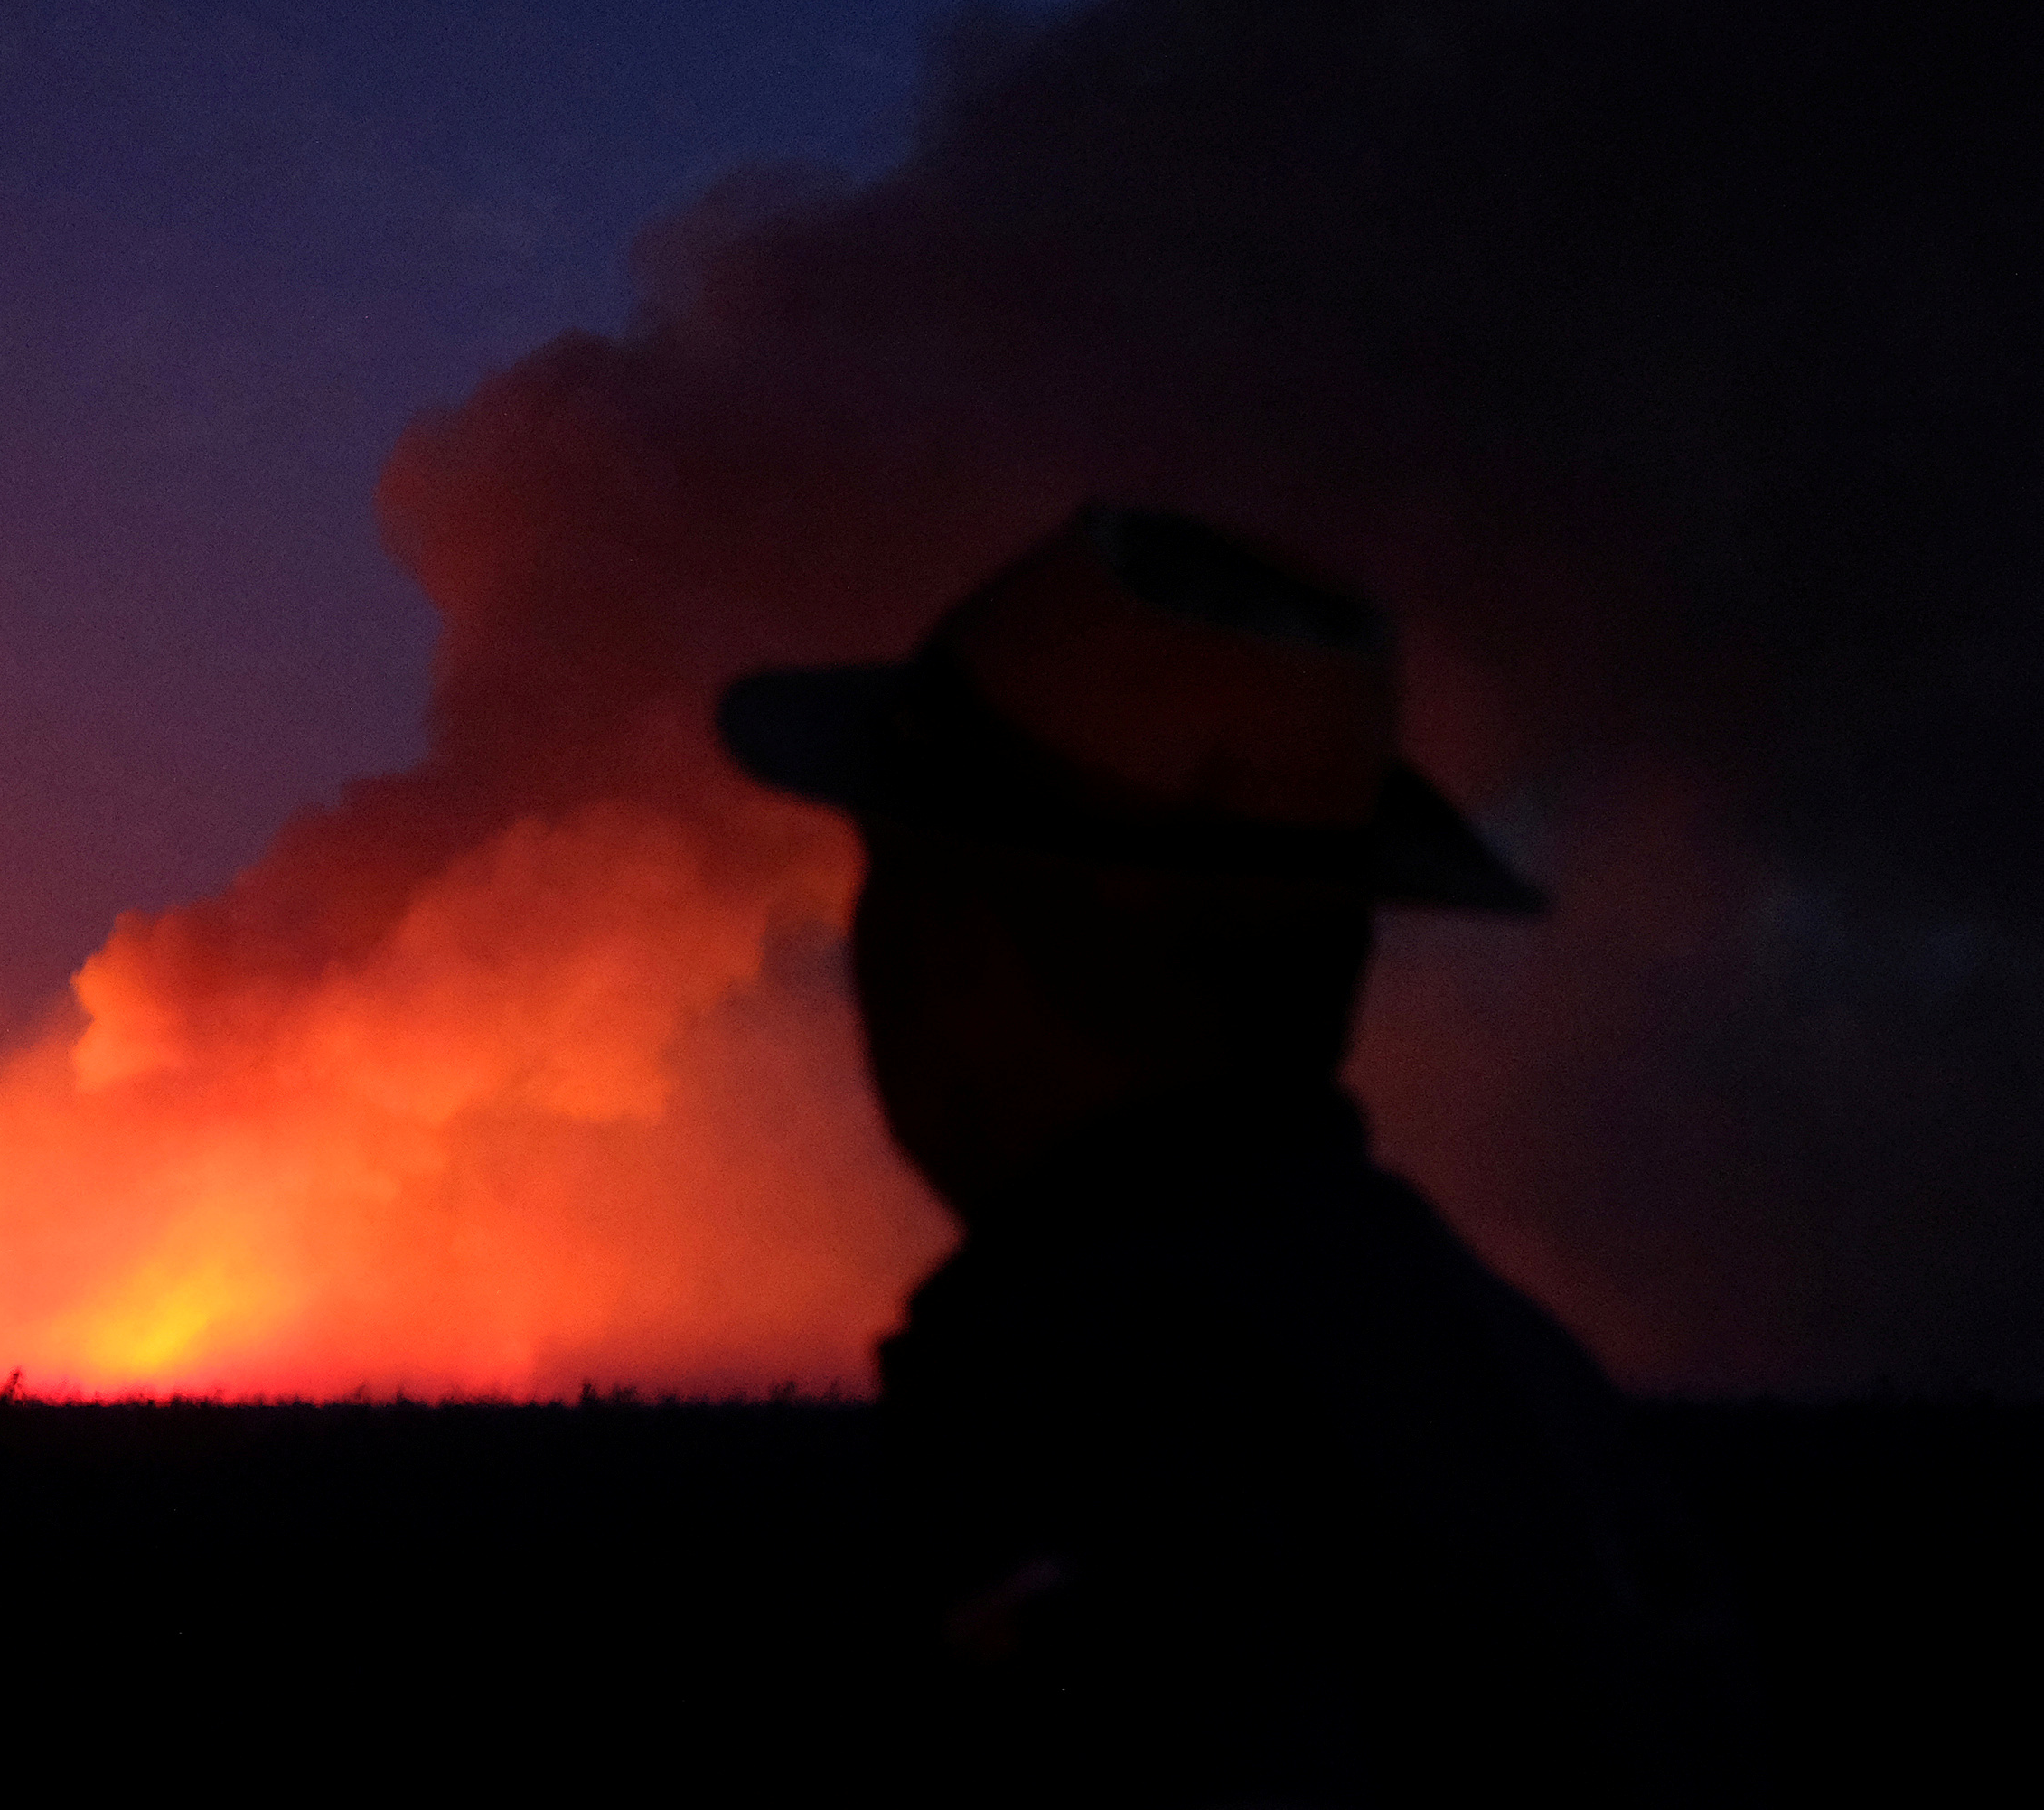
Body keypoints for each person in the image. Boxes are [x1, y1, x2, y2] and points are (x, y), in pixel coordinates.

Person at [720, 504, 1742, 1806]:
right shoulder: (1511, 1379)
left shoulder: (1097, 1409)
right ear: (1339, 962)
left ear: (963, 935)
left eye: (894, 878)